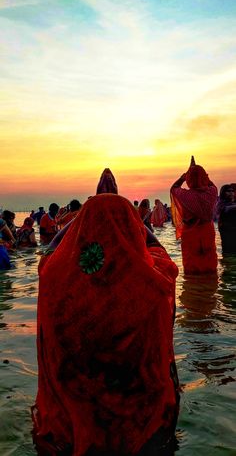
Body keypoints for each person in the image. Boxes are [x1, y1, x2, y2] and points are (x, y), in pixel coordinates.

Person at [32, 193, 179, 456]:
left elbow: (50, 251)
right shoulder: (153, 282)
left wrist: (80, 218)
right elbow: (162, 253)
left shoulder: (55, 279)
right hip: (141, 425)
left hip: (70, 426)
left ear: (77, 228)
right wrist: (135, 219)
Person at [170, 158, 218, 274]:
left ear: (188, 179)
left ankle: (192, 289)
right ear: (205, 177)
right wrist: (198, 172)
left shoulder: (184, 195)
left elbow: (174, 188)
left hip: (190, 235)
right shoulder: (212, 192)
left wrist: (183, 177)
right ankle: (209, 289)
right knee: (209, 265)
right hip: (207, 232)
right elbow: (210, 183)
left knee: (191, 268)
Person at [217, 184, 236, 253]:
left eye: (232, 191)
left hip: (233, 230)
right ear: (223, 193)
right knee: (228, 252)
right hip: (226, 231)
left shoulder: (233, 203)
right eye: (228, 191)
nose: (231, 193)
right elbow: (226, 208)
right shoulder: (221, 203)